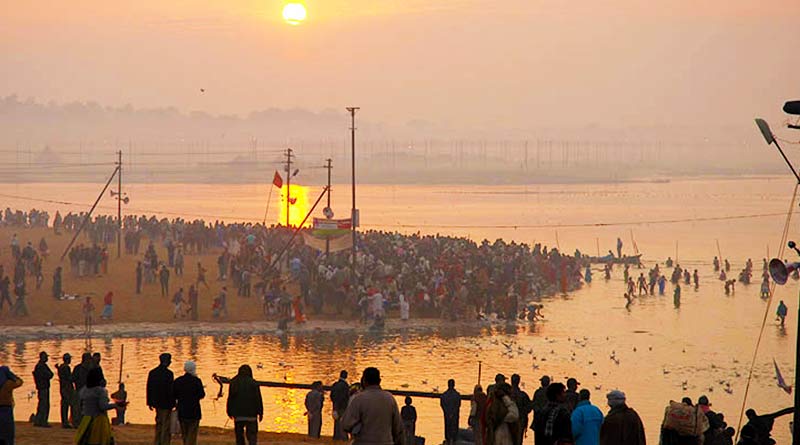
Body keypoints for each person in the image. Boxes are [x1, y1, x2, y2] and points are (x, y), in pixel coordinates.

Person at [341, 367, 404, 445]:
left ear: (364, 381)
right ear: (379, 381)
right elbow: (398, 428)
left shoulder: (359, 399)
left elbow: (346, 424)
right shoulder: (390, 398)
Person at [74, 367, 123, 445]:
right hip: (99, 421)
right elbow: (103, 406)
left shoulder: (83, 390)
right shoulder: (101, 391)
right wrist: (116, 405)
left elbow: (80, 404)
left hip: (86, 420)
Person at [227, 364, 264, 445]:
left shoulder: (234, 382)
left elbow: (230, 399)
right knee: (252, 436)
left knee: (239, 436)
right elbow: (258, 399)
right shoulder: (254, 383)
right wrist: (260, 413)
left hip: (238, 415)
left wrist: (229, 411)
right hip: (251, 415)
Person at [173, 361, 205, 445]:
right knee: (192, 434)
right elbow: (202, 395)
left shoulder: (178, 381)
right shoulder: (197, 381)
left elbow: (174, 395)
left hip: (182, 410)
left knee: (184, 433)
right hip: (194, 411)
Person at [146, 353, 175, 445]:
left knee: (159, 422)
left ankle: (157, 441)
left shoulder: (153, 372)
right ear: (167, 362)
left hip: (156, 402)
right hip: (166, 403)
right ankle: (164, 442)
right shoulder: (169, 374)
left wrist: (149, 402)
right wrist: (174, 403)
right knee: (166, 425)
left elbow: (149, 388)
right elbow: (171, 390)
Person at [0, 366, 24, 445]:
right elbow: (20, 382)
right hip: (6, 408)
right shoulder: (8, 383)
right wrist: (12, 376)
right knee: (8, 431)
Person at [33, 350, 54, 427]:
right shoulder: (41, 366)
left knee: (42, 404)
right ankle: (42, 421)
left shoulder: (41, 365)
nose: (46, 359)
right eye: (45, 357)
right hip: (43, 387)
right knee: (44, 405)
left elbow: (50, 374)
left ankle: (39, 421)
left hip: (43, 387)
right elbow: (49, 375)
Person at [56, 353, 78, 429]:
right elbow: (69, 378)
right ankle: (67, 422)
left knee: (64, 405)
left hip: (63, 388)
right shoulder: (66, 367)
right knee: (69, 404)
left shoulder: (61, 367)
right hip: (67, 388)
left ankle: (64, 421)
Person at [511, 374, 533, 445]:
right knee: (518, 441)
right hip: (520, 421)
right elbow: (529, 407)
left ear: (511, 381)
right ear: (518, 382)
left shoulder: (506, 394)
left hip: (508, 421)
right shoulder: (523, 395)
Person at [330, 370, 350, 440]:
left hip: (336, 405)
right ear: (346, 376)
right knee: (343, 421)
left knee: (336, 421)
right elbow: (346, 396)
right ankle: (343, 437)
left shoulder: (335, 384)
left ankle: (336, 436)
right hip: (342, 406)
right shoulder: (345, 386)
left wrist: (335, 405)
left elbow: (332, 396)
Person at [441, 379, 462, 445]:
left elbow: (442, 405)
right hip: (454, 414)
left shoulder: (444, 395)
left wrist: (447, 412)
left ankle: (448, 441)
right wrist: (453, 413)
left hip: (447, 414)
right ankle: (453, 441)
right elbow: (458, 405)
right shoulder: (457, 395)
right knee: (454, 428)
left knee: (447, 427)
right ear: (454, 385)